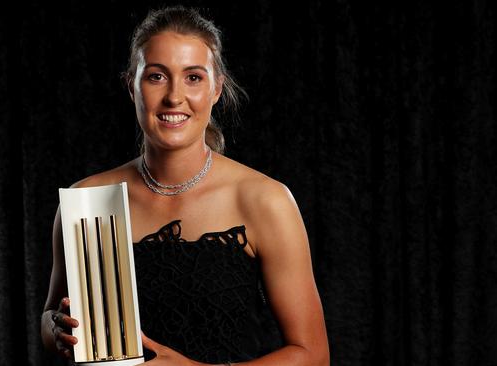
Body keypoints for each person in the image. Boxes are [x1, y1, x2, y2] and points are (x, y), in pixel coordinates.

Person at [41, 6, 329, 366]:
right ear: (132, 85)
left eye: (193, 77)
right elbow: (52, 319)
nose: (174, 97)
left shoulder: (263, 200)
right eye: (157, 76)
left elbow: (313, 355)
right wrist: (54, 331)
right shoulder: (87, 199)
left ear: (217, 89)